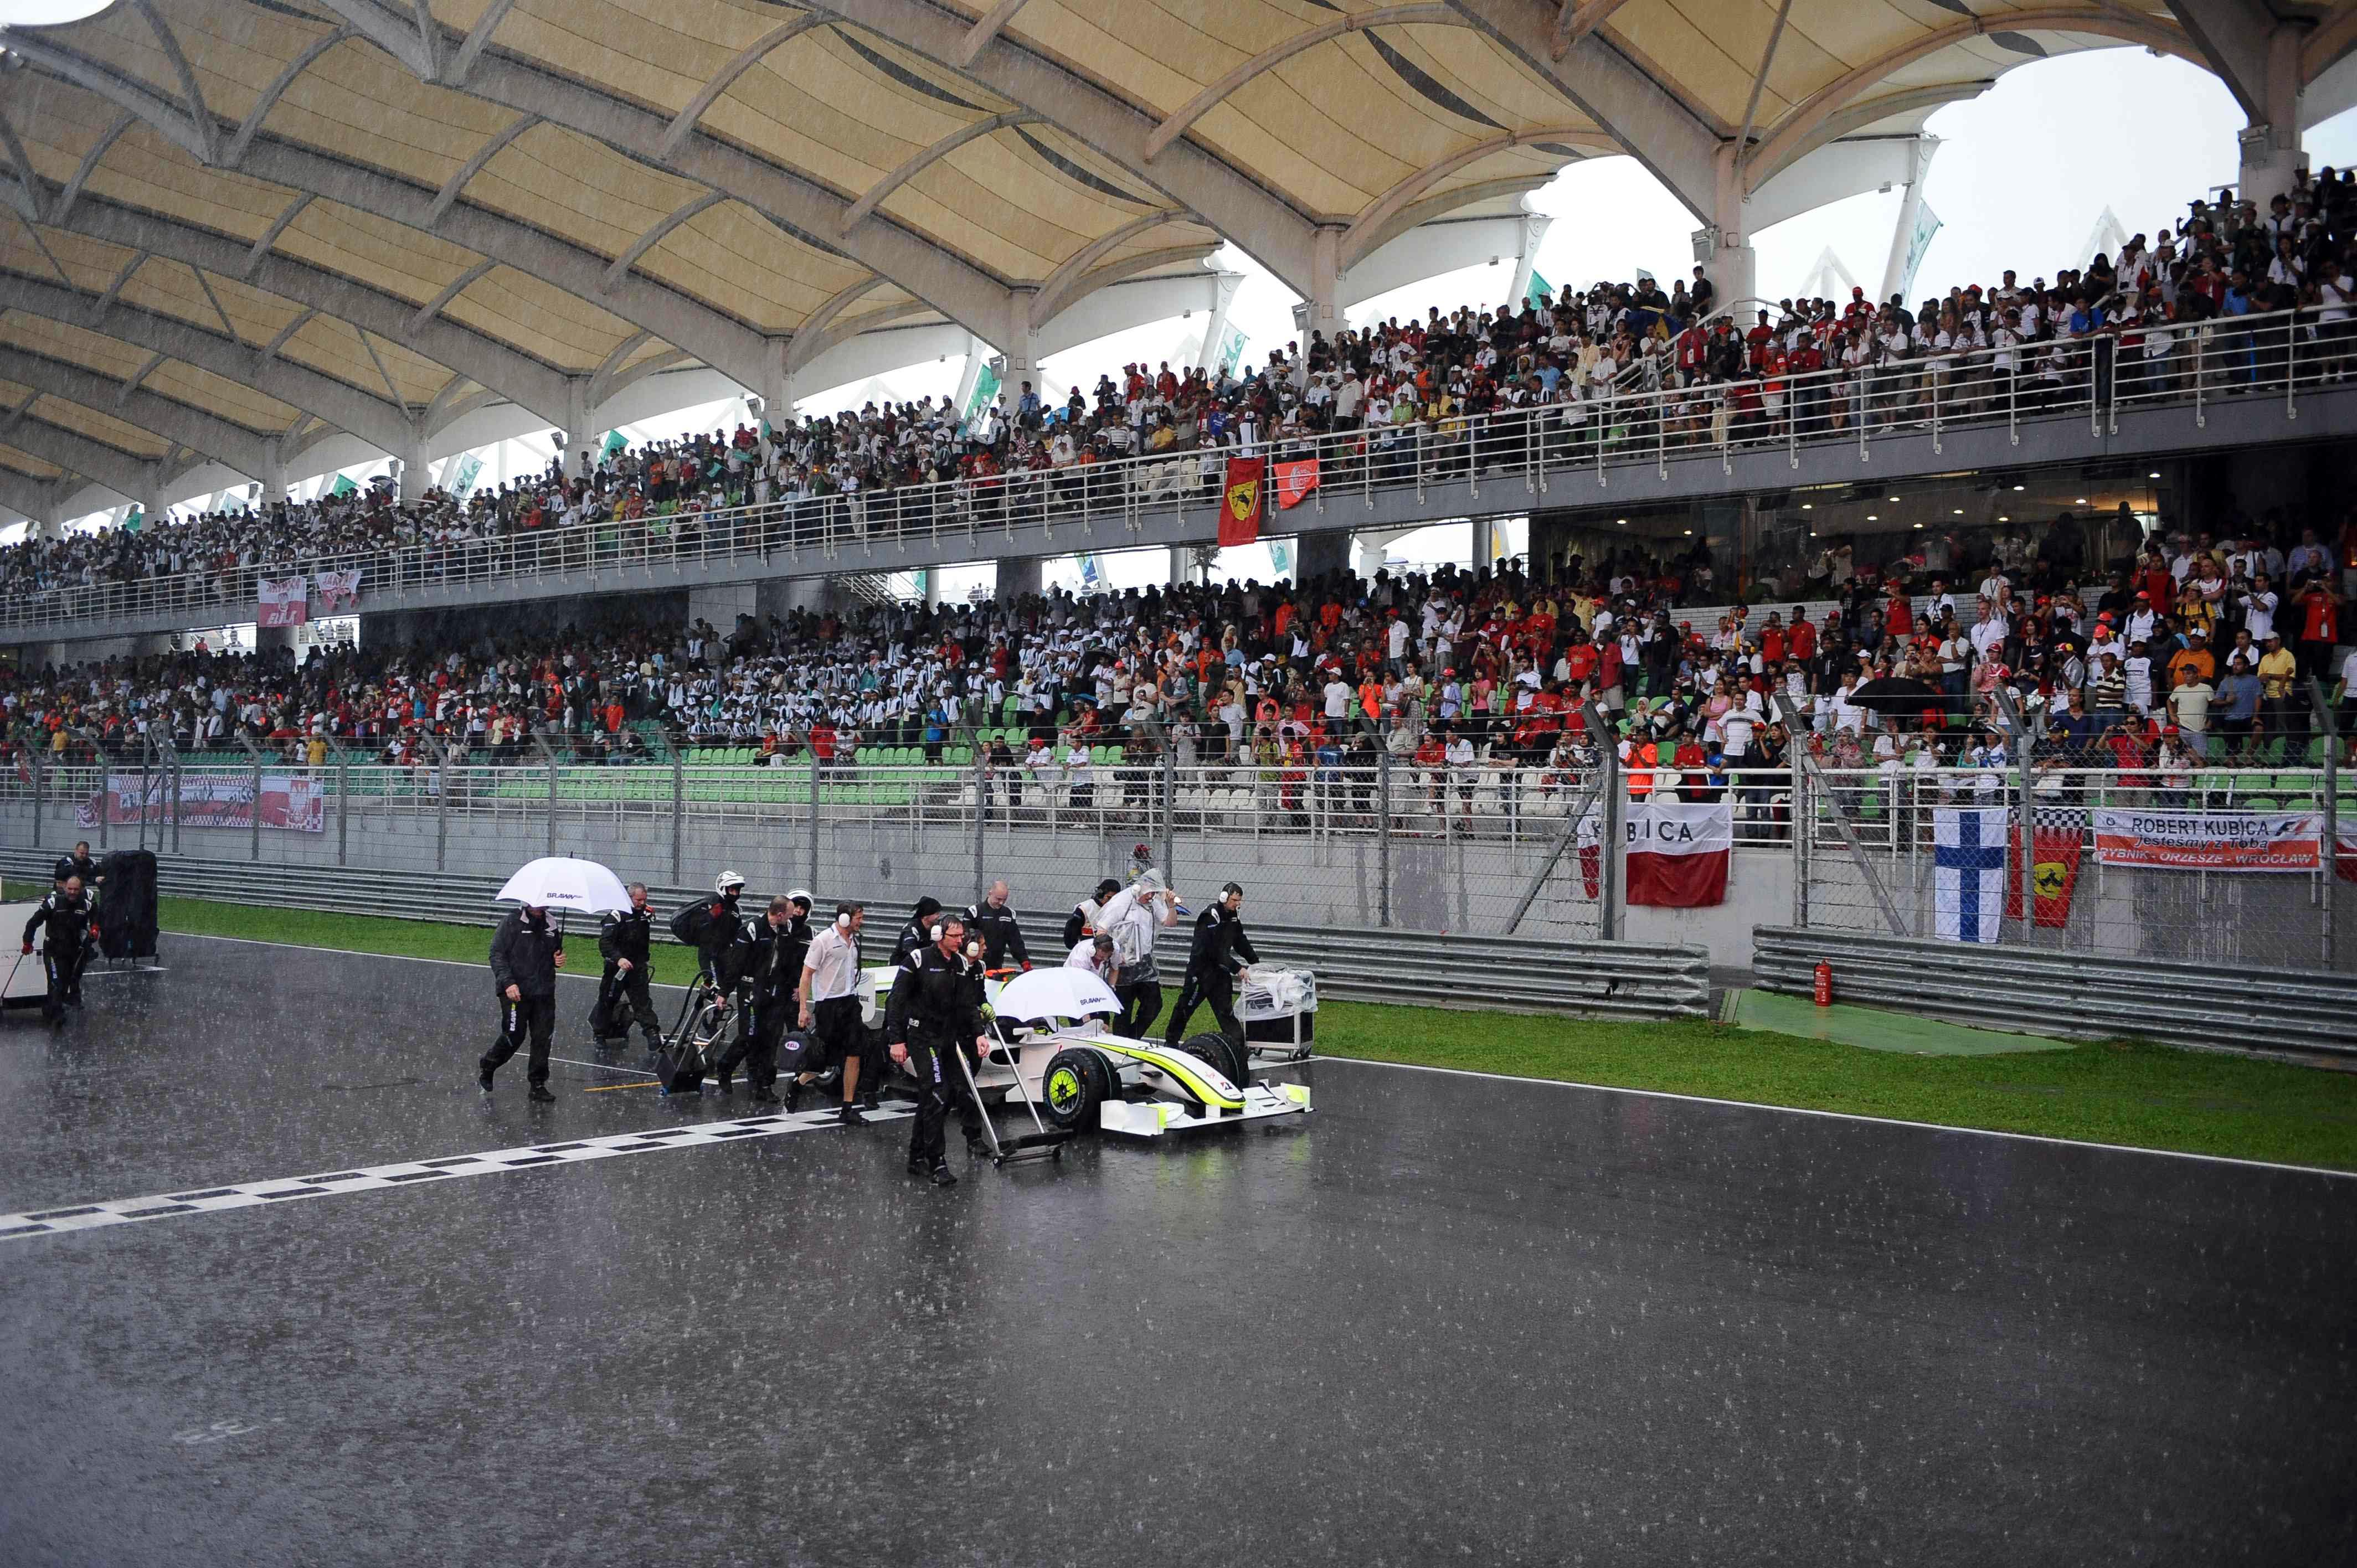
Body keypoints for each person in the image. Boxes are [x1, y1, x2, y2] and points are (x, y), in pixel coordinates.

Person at [882, 915, 990, 1187]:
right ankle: (937, 1162)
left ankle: (916, 1156)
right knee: (937, 1092)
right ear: (939, 936)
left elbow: (968, 1004)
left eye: (962, 936)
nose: (960, 941)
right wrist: (896, 1040)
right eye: (955, 936)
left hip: (948, 1038)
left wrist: (979, 1033)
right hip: (922, 1037)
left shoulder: (961, 964)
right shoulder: (918, 959)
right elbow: (896, 1000)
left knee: (946, 1093)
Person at [713, 895, 804, 1105]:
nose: (792, 918)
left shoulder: (786, 929)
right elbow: (736, 964)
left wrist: (796, 985)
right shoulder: (752, 929)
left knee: (772, 1038)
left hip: (775, 990)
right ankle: (725, 1067)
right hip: (751, 990)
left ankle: (764, 1085)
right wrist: (724, 993)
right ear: (779, 914)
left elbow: (790, 961)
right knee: (749, 1036)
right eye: (789, 914)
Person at [480, 901, 565, 1101]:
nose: (539, 907)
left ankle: (538, 1084)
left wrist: (557, 960)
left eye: (543, 904)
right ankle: (489, 1065)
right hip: (515, 990)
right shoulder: (511, 922)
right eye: (535, 903)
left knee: (543, 1037)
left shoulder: (552, 923)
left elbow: (553, 954)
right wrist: (508, 983)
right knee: (515, 1035)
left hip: (544, 991)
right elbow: (496, 955)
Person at [800, 901, 873, 1125]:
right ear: (844, 919)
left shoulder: (854, 942)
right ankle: (798, 1084)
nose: (861, 922)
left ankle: (847, 1108)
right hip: (828, 1005)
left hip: (849, 1002)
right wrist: (803, 1008)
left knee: (854, 1052)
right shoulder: (823, 940)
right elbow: (807, 974)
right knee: (825, 1058)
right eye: (858, 918)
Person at [1164, 881, 1258, 1050]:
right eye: (1235, 900)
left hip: (1220, 972)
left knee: (1226, 1012)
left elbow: (1240, 941)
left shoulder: (1233, 916)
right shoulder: (1210, 915)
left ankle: (1238, 1047)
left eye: (1239, 901)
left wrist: (1255, 962)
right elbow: (1214, 950)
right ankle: (1170, 1043)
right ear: (1224, 897)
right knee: (1185, 1008)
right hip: (1200, 972)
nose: (1238, 904)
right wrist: (1238, 968)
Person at [1096, 872, 1179, 1037]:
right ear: (1140, 888)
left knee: (1154, 1004)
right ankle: (1122, 1042)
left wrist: (1171, 906)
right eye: (1149, 893)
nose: (1151, 896)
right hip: (1123, 963)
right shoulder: (1122, 903)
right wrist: (1114, 955)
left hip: (1144, 962)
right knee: (1124, 1010)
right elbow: (1101, 930)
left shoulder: (1153, 903)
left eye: (1154, 893)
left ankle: (1133, 1037)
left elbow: (1170, 923)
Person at [21, 874, 96, 1027]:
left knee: (67, 982)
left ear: (81, 890)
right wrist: (28, 942)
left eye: (76, 890)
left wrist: (95, 929)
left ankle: (50, 1008)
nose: (73, 892)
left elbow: (96, 918)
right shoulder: (53, 903)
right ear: (65, 888)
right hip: (54, 950)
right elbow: (33, 923)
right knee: (56, 982)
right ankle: (57, 1015)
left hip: (74, 951)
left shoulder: (86, 905)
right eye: (70, 889)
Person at [593, 882, 661, 1049]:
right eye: (639, 900)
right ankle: (600, 1033)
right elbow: (605, 943)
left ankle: (652, 1033)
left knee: (643, 1002)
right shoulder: (616, 915)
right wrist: (619, 959)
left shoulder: (645, 913)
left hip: (638, 967)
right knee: (607, 1001)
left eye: (644, 900)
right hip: (616, 968)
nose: (642, 903)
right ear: (629, 898)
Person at [963, 878, 1032, 973]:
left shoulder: (1009, 914)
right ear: (990, 894)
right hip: (975, 964)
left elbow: (1015, 941)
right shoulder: (974, 912)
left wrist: (1024, 961)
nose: (1001, 903)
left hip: (997, 965)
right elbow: (964, 939)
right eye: (999, 899)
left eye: (1005, 900)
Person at [1063, 877, 1121, 948]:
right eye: (1109, 898)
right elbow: (1071, 933)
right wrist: (1077, 949)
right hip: (1087, 949)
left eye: (1115, 898)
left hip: (1109, 950)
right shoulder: (1085, 908)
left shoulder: (1117, 909)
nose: (1112, 901)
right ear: (1101, 894)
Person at [894, 895, 944, 968]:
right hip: (901, 966)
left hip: (923, 965)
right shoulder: (912, 929)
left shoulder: (936, 927)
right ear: (926, 915)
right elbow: (910, 951)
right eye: (936, 913)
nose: (939, 916)